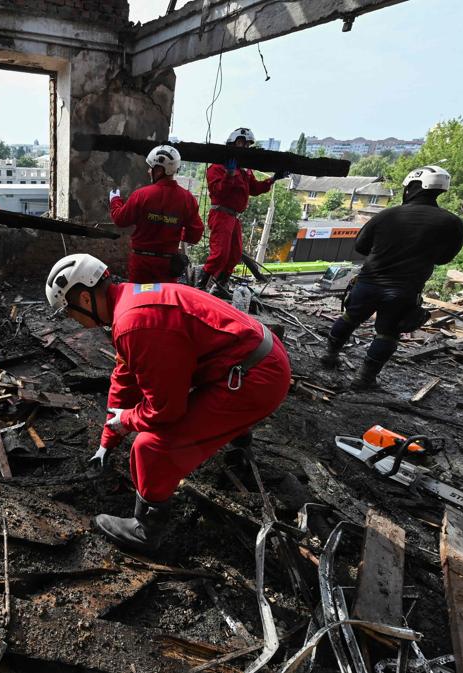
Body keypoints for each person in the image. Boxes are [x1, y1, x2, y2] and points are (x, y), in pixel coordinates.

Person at [45, 254, 291, 552]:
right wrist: (106, 441)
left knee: (150, 448)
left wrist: (127, 421)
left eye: (70, 313)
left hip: (255, 380)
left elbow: (165, 410)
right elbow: (125, 376)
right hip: (254, 358)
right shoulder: (129, 301)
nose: (75, 322)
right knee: (174, 415)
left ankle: (145, 530)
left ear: (84, 298)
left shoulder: (134, 325)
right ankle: (238, 436)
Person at [320, 166, 463, 388]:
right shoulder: (451, 223)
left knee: (350, 318)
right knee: (387, 334)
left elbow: (361, 246)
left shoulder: (387, 214)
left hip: (368, 282)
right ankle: (364, 379)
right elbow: (444, 259)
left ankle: (329, 355)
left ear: (413, 187)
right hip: (404, 290)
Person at [198, 128, 288, 291]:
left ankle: (220, 287)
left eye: (247, 145)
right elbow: (218, 191)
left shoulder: (245, 169)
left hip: (233, 217)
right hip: (221, 214)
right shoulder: (217, 167)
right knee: (219, 254)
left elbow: (254, 188)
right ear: (231, 143)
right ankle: (199, 286)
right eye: (241, 143)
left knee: (234, 255)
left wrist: (273, 179)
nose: (244, 148)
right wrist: (229, 175)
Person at [109, 144, 203, 283]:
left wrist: (115, 201)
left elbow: (120, 219)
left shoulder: (141, 195)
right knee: (163, 302)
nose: (148, 171)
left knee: (139, 301)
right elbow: (195, 236)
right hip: (168, 265)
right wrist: (173, 230)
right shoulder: (187, 199)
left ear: (159, 170)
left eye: (151, 168)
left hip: (141, 263)